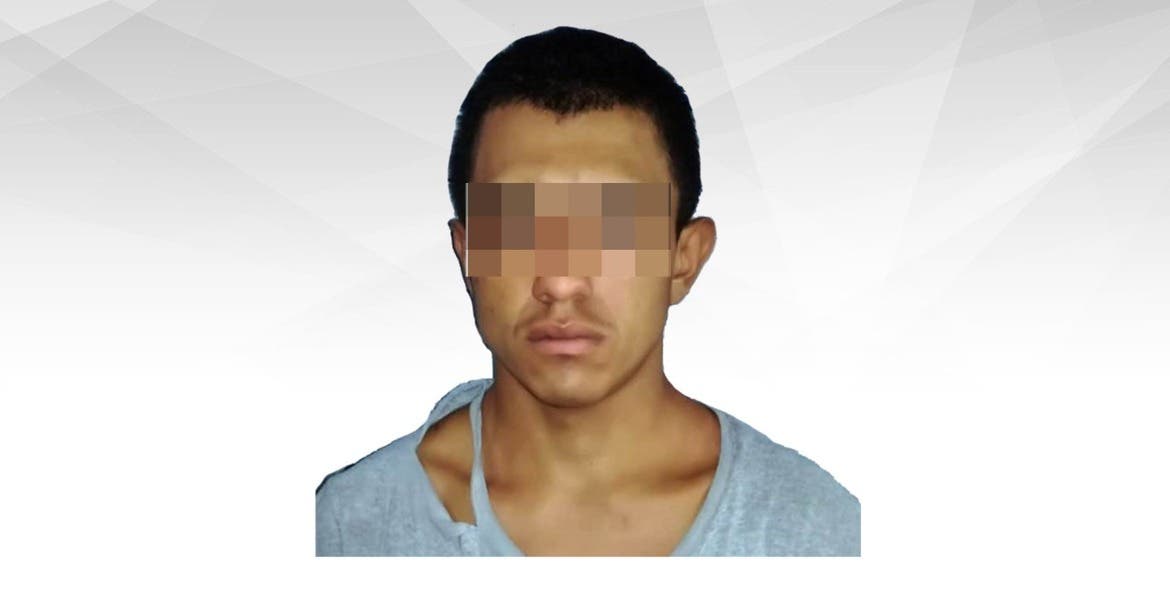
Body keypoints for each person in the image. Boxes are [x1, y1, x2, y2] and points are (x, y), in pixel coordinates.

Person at [315, 25, 859, 556]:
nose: (561, 282)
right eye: (518, 227)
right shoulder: (343, 529)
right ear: (467, 254)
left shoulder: (823, 534)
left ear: (684, 259)